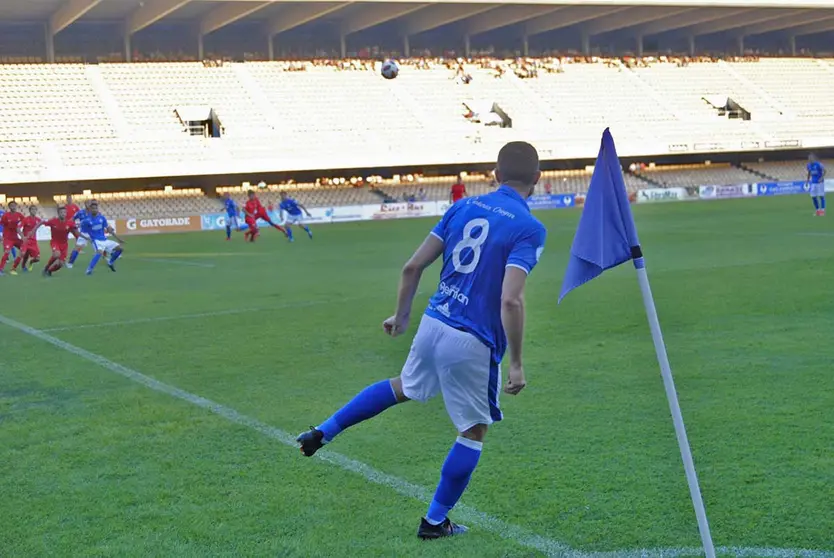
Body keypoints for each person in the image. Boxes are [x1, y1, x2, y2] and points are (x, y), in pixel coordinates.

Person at [296, 141, 547, 540]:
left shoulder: (462, 207)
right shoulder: (529, 227)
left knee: (402, 387)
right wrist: (516, 362)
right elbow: (511, 298)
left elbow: (413, 266)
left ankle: (322, 432)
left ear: (495, 175)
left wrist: (402, 315)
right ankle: (434, 522)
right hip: (471, 339)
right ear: (537, 178)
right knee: (474, 430)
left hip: (434, 321)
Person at [79, 201, 125, 275]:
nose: (94, 210)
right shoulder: (86, 221)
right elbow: (82, 232)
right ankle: (89, 269)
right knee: (99, 253)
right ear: (90, 209)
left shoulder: (102, 218)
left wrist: (118, 239)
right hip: (96, 241)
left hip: (104, 240)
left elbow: (109, 229)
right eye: (93, 208)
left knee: (120, 249)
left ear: (98, 209)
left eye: (96, 208)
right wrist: (88, 239)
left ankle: (110, 262)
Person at [38, 206, 77, 276]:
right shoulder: (53, 221)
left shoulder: (70, 223)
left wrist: (78, 238)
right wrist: (33, 231)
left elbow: (75, 232)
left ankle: (49, 271)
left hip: (64, 245)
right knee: (56, 254)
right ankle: (46, 268)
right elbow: (42, 222)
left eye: (64, 212)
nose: (63, 214)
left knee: (61, 264)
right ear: (58, 213)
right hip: (55, 242)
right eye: (61, 212)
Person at [10, 205, 43, 274]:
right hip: (26, 241)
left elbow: (43, 222)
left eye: (35, 210)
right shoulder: (26, 219)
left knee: (37, 259)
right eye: (32, 210)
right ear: (30, 211)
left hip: (33, 242)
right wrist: (22, 237)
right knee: (22, 253)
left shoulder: (38, 219)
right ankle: (13, 269)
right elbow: (18, 228)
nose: (34, 211)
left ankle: (30, 262)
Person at [0, 201, 24, 276]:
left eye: (14, 205)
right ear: (9, 207)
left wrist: (24, 236)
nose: (13, 207)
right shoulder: (5, 215)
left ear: (16, 206)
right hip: (7, 238)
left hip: (16, 238)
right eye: (11, 206)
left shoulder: (19, 215)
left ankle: (21, 266)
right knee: (7, 252)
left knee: (25, 250)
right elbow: (1, 224)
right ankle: (0, 269)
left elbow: (24, 223)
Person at [67, 200, 93, 268]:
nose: (88, 205)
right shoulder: (80, 212)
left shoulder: (94, 212)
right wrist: (73, 225)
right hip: (84, 233)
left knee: (101, 245)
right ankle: (70, 263)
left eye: (89, 203)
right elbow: (72, 219)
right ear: (85, 204)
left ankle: (108, 256)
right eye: (87, 203)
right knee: (77, 247)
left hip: (94, 232)